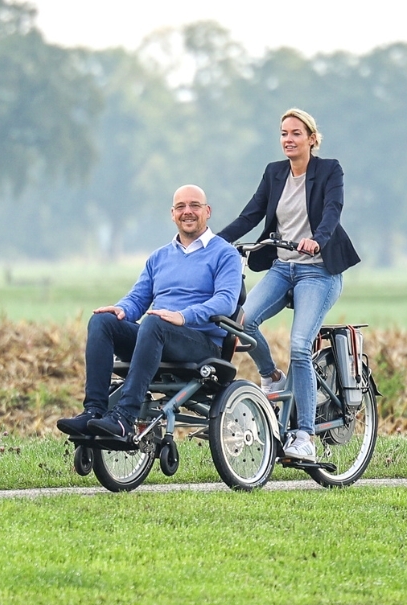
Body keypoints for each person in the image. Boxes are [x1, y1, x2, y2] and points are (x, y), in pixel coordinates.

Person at [218, 108, 361, 462]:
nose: (288, 139)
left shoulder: (330, 170)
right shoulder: (274, 173)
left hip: (319, 271)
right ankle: (271, 377)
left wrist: (318, 239)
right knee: (242, 321)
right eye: (284, 133)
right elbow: (250, 215)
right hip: (283, 268)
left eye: (296, 133)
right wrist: (212, 243)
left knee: (300, 346)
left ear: (312, 138)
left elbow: (333, 209)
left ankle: (305, 436)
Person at [58, 185, 241, 441]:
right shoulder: (159, 257)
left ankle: (124, 417)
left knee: (154, 323)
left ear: (207, 211)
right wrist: (121, 309)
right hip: (156, 337)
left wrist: (184, 316)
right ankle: (94, 412)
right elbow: (138, 299)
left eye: (194, 206)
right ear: (172, 214)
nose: (187, 212)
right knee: (102, 322)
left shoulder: (225, 253)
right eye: (180, 207)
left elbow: (226, 301)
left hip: (200, 344)